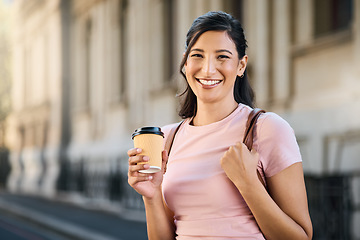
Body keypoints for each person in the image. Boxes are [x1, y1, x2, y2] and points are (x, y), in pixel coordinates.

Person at [128, 11, 313, 240]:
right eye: (197, 55)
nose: (207, 69)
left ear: (241, 65)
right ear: (185, 63)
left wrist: (248, 184)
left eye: (222, 57)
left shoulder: (267, 129)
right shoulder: (168, 138)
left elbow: (301, 236)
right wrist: (152, 195)